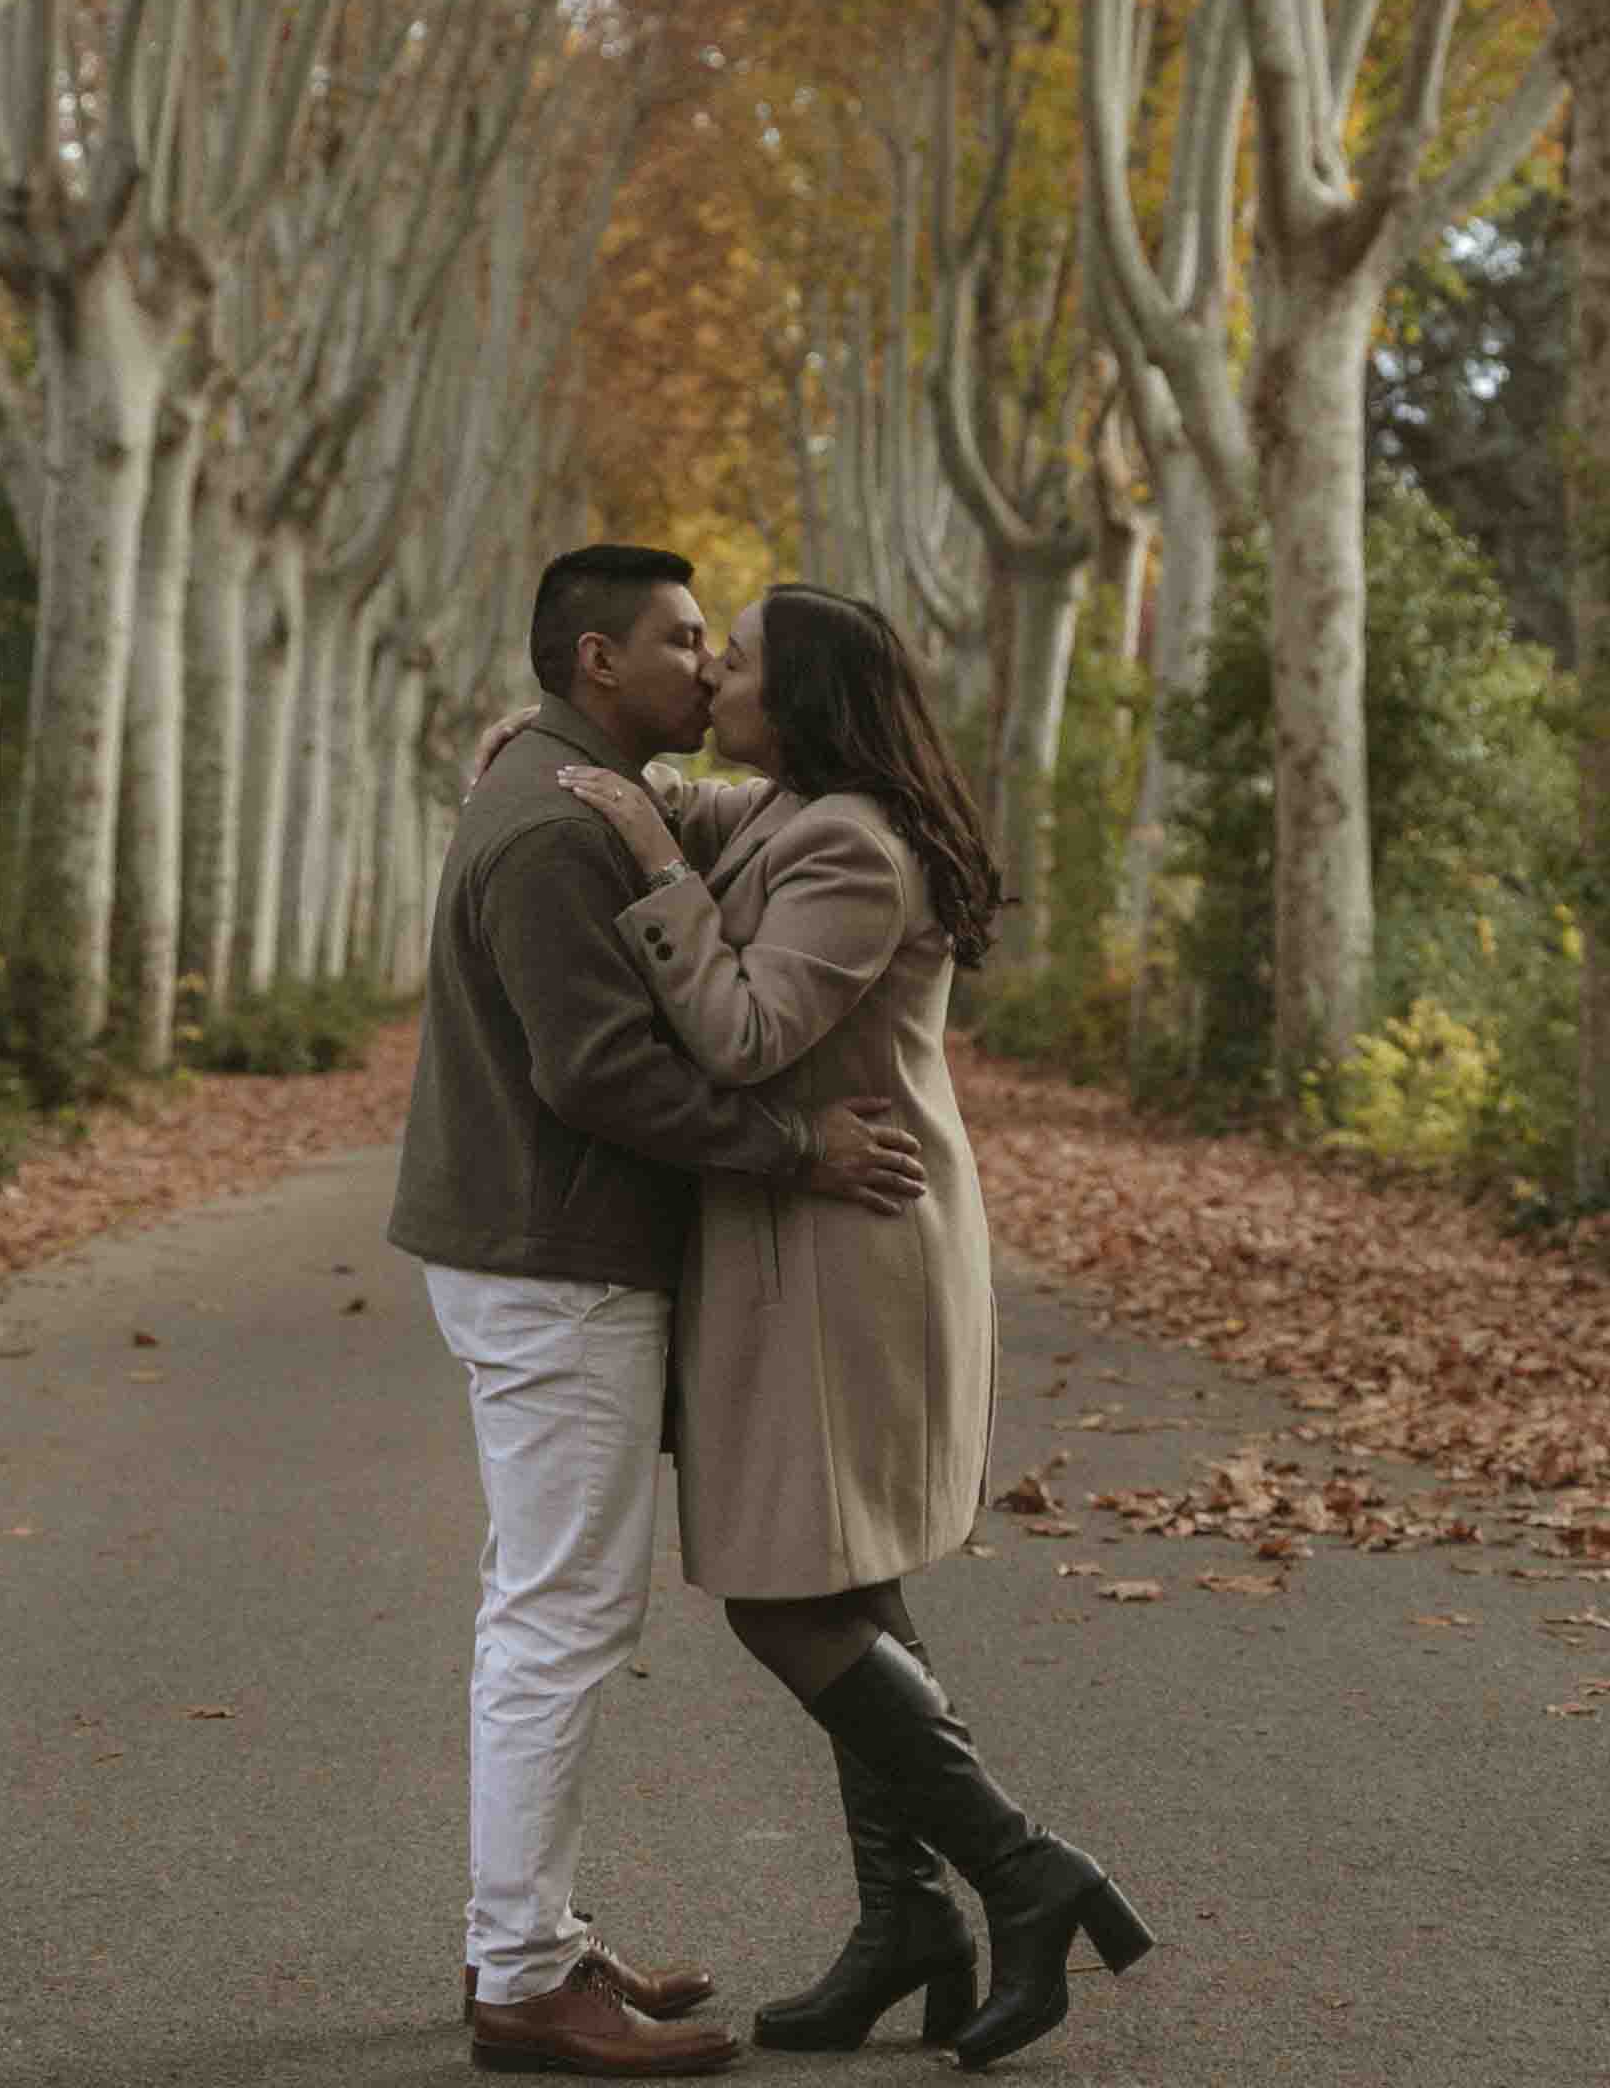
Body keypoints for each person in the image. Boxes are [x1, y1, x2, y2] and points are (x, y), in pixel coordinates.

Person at [545, 582, 1152, 2075]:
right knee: (847, 1576)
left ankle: (1019, 1870)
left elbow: (746, 1029)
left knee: (784, 1590)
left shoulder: (853, 848)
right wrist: (600, 770)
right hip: (802, 1244)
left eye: (735, 662)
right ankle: (908, 1922)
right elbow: (708, 815)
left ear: (798, 700)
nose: (714, 679)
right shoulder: (795, 809)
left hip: (843, 1255)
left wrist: (637, 852)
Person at [390, 544, 928, 2081]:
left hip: (544, 1255)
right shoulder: (557, 836)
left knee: (542, 1606)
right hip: (555, 1265)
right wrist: (792, 1149)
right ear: (598, 664)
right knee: (561, 1620)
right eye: (686, 641)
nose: (708, 666)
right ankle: (521, 1980)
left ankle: (535, 1938)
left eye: (721, 645)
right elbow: (604, 1076)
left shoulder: (573, 789)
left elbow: (738, 834)